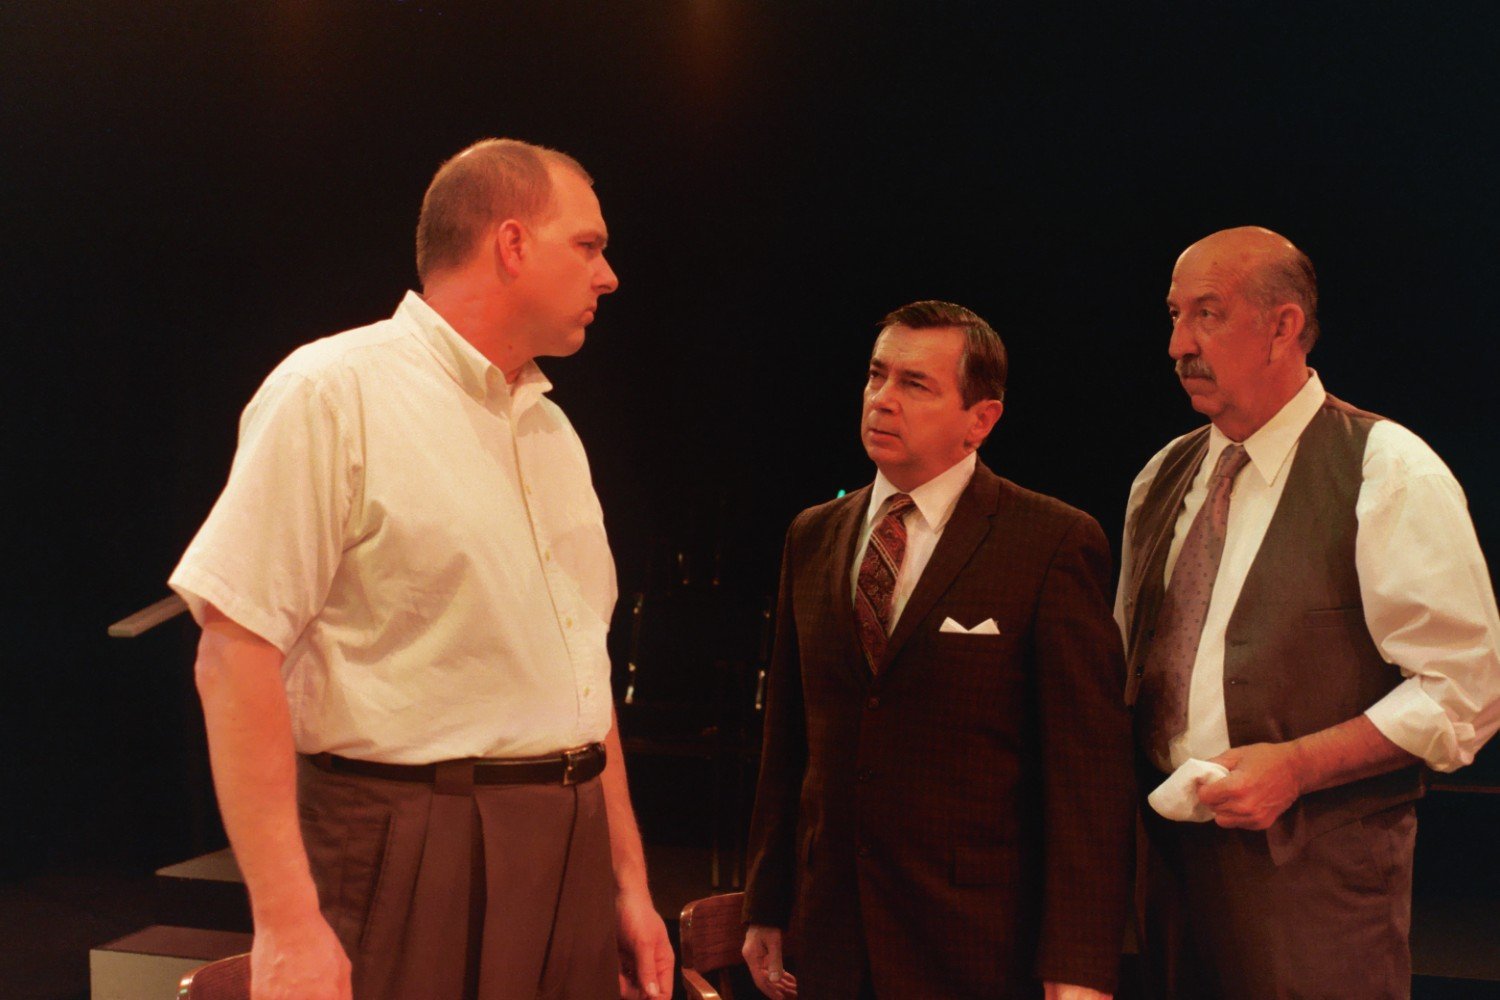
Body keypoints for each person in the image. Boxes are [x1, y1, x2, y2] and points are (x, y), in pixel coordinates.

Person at [169, 138, 673, 1000]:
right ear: (511, 244)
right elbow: (233, 652)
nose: (609, 275)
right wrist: (286, 922)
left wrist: (628, 881)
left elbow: (578, 671)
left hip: (570, 842)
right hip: (405, 840)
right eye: (587, 246)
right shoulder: (335, 391)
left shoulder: (553, 432)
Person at [1118, 226, 1500, 999]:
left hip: (1316, 886)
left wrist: (1295, 765)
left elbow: (1462, 691)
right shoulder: (1163, 475)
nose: (1177, 344)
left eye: (1207, 314)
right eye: (1172, 315)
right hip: (1163, 875)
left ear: (1284, 325)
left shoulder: (1387, 469)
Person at [740, 301, 1135, 1000]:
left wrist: (1079, 965)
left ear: (980, 419)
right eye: (876, 376)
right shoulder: (813, 534)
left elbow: (1087, 781)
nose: (882, 400)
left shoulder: (1049, 542)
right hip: (829, 935)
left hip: (976, 943)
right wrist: (766, 903)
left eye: (915, 385)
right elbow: (788, 743)